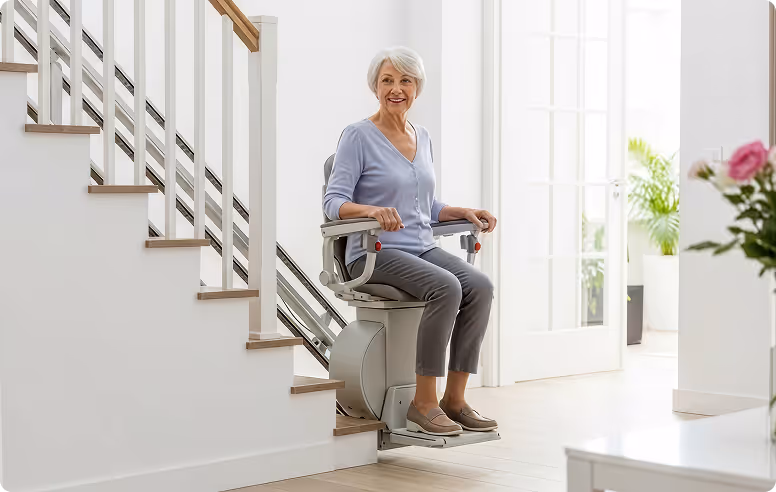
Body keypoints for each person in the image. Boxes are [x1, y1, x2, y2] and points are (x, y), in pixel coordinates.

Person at [323, 46, 498, 436]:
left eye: (405, 81)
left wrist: (462, 212)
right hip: (374, 254)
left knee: (480, 287)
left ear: (417, 87)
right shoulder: (357, 136)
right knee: (446, 287)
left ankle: (454, 400)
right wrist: (369, 211)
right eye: (387, 80)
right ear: (375, 87)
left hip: (420, 247)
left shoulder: (423, 137)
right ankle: (424, 402)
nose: (396, 88)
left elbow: (426, 204)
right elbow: (333, 202)